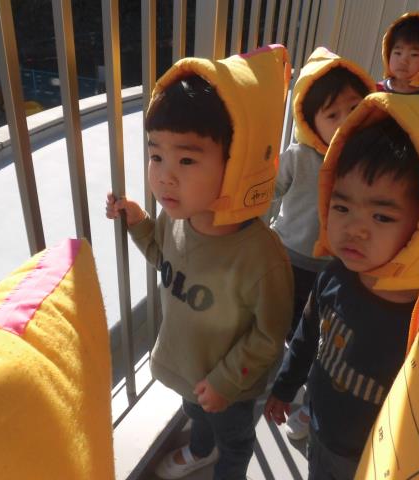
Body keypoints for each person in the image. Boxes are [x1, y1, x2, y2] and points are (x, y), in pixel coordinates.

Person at [264, 84, 419, 480]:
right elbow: (307, 338)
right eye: (342, 206)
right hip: (322, 429)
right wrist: (284, 387)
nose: (354, 229)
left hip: (375, 459)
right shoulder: (332, 276)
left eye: (382, 216)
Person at [106, 46, 294, 480]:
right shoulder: (177, 220)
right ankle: (199, 449)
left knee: (235, 440)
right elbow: (165, 259)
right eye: (156, 155)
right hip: (188, 369)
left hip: (231, 386)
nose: (165, 175)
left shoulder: (261, 257)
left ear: (237, 162)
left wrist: (227, 380)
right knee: (196, 414)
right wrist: (138, 223)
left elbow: (269, 334)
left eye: (187, 159)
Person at [269, 46, 375, 442]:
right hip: (289, 258)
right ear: (310, 123)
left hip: (337, 267)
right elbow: (269, 193)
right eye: (333, 115)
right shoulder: (298, 157)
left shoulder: (365, 159)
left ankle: (312, 398)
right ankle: (286, 377)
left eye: (354, 108)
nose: (346, 120)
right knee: (287, 326)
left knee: (326, 339)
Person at [377, 7, 419, 94]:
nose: (403, 61)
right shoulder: (374, 91)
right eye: (397, 53)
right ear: (388, 53)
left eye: (414, 55)